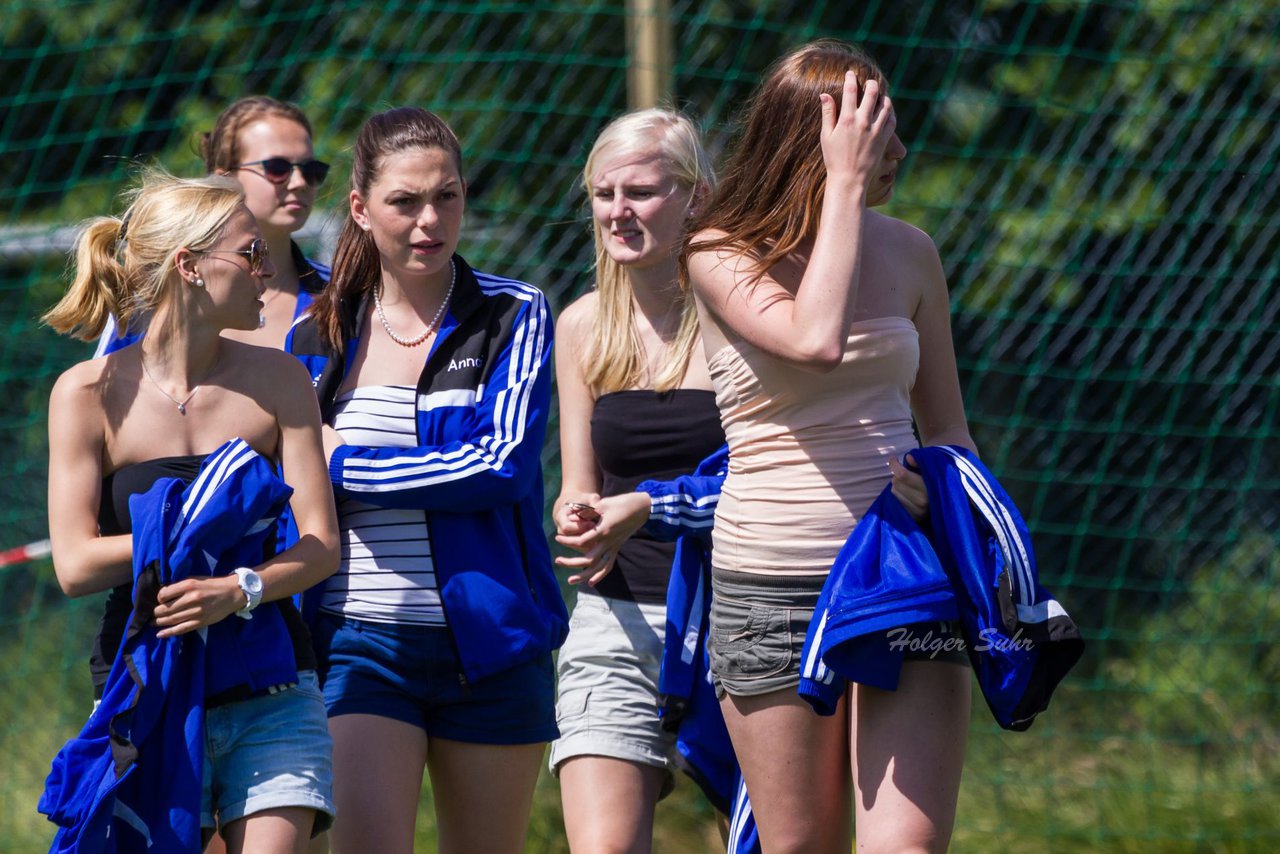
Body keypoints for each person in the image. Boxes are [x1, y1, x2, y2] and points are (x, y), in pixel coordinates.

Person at [682, 40, 976, 853]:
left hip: (902, 574)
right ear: (823, 141)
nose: (901, 152)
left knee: (906, 846)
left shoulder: (913, 250)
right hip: (769, 587)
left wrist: (943, 479)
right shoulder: (717, 251)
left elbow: (948, 423)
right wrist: (843, 188)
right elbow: (813, 340)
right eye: (879, 132)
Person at [287, 106, 566, 854]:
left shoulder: (516, 312)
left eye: (446, 197)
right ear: (360, 208)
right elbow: (288, 479)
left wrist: (340, 462)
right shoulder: (315, 332)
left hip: (494, 647)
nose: (428, 221)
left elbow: (497, 464)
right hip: (358, 642)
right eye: (404, 202)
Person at [42, 171, 340, 852]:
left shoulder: (282, 379)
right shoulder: (86, 393)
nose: (269, 269)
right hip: (146, 686)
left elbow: (322, 543)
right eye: (251, 253)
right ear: (190, 266)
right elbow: (75, 563)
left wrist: (239, 587)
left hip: (272, 686)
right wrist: (188, 536)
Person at [549, 108, 725, 852]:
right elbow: (578, 483)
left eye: (642, 192)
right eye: (603, 193)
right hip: (615, 617)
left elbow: (775, 479)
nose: (618, 211)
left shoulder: (745, 320)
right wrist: (577, 513)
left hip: (739, 613)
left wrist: (649, 506)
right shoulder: (582, 325)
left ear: (697, 197)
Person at [97, 95, 331, 355]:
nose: (300, 182)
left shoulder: (340, 295)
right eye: (278, 168)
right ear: (224, 179)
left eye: (312, 170)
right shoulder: (150, 298)